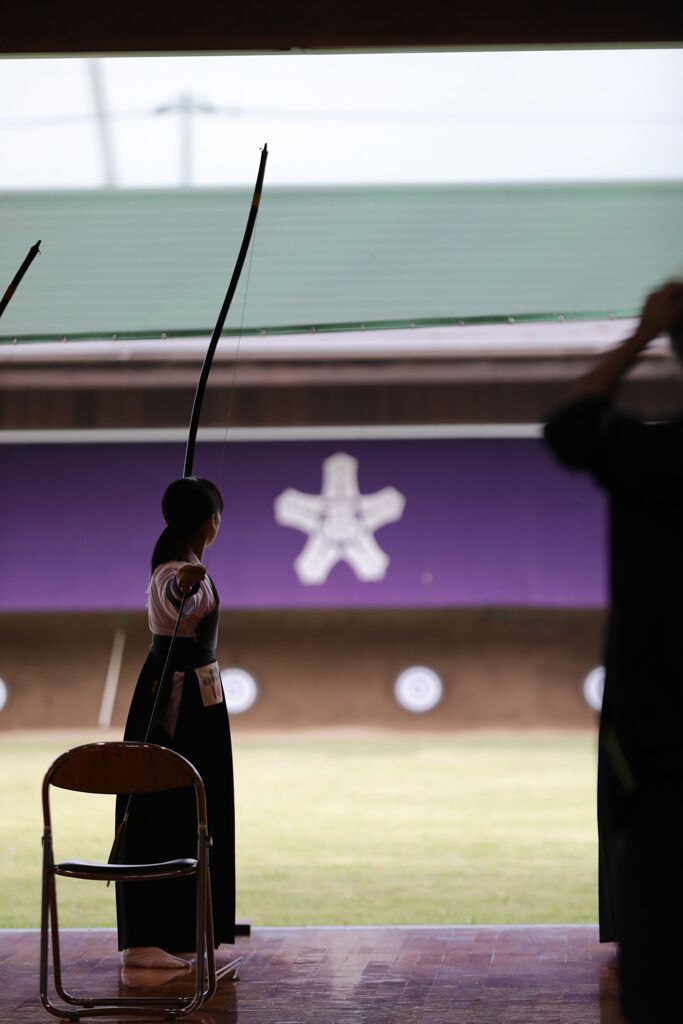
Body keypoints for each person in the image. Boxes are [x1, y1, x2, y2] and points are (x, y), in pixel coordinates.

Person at [544, 282, 683, 1023]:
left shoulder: (653, 455)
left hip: (660, 744)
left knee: (659, 954)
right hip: (659, 743)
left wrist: (642, 334)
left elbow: (568, 423)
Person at [115, 476, 235, 970]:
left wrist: (190, 578)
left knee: (192, 813)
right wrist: (183, 584)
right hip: (173, 704)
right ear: (211, 522)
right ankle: (144, 942)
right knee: (160, 806)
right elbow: (171, 594)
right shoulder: (174, 569)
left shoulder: (183, 563)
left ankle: (183, 934)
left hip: (194, 701)